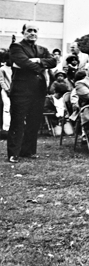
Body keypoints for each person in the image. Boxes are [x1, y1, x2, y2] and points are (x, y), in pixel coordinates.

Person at [6, 24, 57, 163]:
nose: (32, 33)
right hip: (21, 91)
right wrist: (40, 67)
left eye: (35, 31)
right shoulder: (16, 47)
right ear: (23, 32)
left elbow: (53, 61)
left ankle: (28, 151)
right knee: (18, 121)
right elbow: (23, 62)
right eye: (29, 30)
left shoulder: (42, 49)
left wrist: (38, 60)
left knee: (34, 122)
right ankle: (13, 153)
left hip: (38, 90)